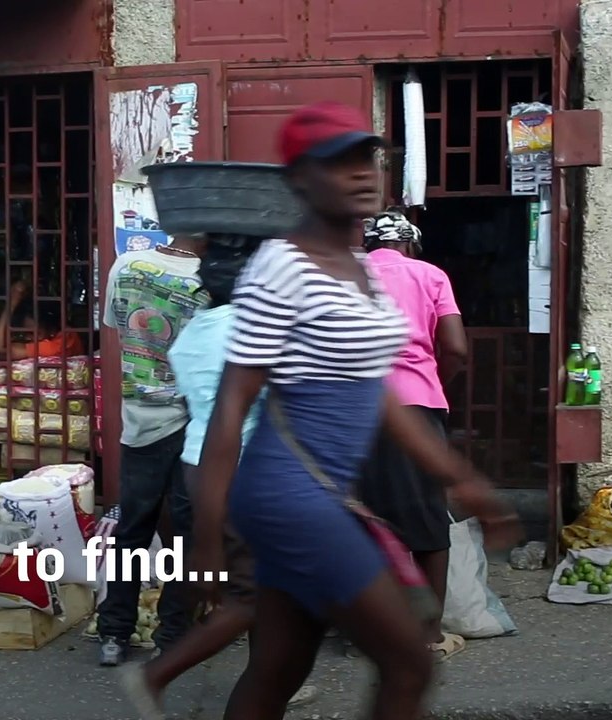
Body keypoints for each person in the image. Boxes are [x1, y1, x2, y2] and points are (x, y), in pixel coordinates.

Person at [189, 101, 519, 720]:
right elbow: (231, 407)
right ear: (301, 180)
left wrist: (460, 478)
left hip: (330, 493)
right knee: (410, 662)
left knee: (279, 667)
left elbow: (379, 394)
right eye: (340, 162)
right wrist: (207, 540)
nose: (364, 172)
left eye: (368, 157)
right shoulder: (281, 267)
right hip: (292, 498)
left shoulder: (361, 272)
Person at [119, 234, 317, 718]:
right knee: (254, 594)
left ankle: (269, 680)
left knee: (256, 587)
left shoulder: (192, 335)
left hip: (197, 465)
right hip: (243, 467)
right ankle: (162, 674)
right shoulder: (254, 332)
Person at [358, 210, 470, 661]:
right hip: (417, 405)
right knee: (426, 515)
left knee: (365, 517)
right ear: (410, 244)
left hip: (353, 409)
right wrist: (435, 381)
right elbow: (456, 347)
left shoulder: (343, 275)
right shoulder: (430, 275)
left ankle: (370, 632)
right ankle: (428, 634)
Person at [97, 236, 210, 667]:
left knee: (132, 529)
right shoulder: (207, 280)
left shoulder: (125, 265)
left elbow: (117, 329)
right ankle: (172, 635)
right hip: (189, 419)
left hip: (139, 417)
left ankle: (114, 632)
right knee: (186, 533)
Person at [0, 280, 85, 360]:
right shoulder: (67, 333)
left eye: (33, 333)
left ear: (51, 328)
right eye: (26, 333)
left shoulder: (56, 346)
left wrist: (12, 303)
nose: (29, 338)